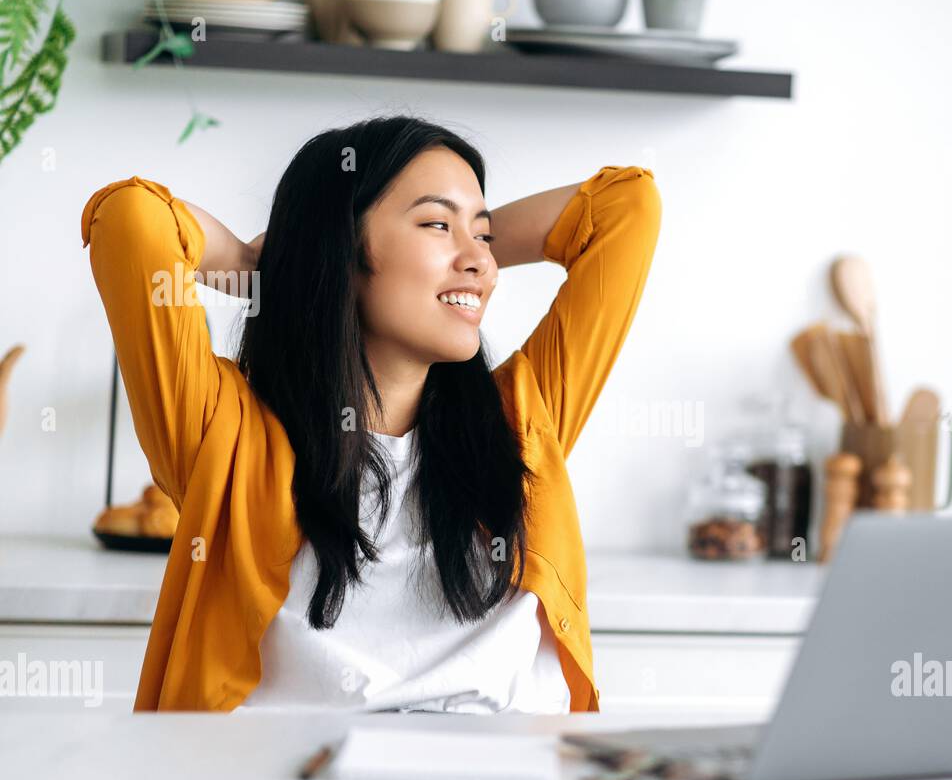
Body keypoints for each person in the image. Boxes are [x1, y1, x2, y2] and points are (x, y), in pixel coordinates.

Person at [80, 114, 662, 713]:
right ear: (342, 251)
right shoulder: (225, 435)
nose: (483, 264)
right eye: (437, 223)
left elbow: (628, 207)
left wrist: (461, 243)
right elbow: (131, 219)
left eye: (484, 237)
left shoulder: (521, 423)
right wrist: (281, 264)